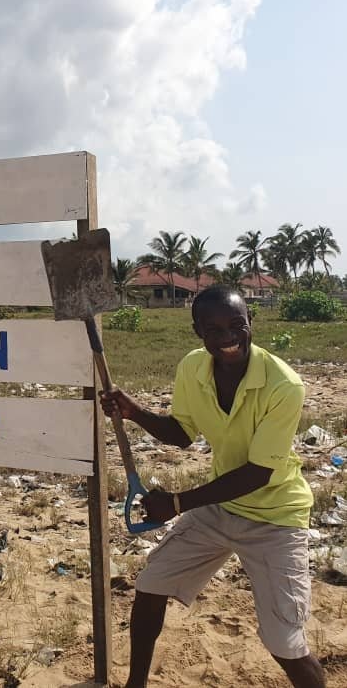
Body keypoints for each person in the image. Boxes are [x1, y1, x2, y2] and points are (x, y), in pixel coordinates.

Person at [100, 284, 325, 688]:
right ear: (196, 331)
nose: (226, 337)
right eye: (213, 329)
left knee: (284, 643)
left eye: (236, 325)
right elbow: (182, 433)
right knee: (151, 584)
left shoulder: (283, 385)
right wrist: (135, 413)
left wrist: (179, 501)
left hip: (276, 518)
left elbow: (260, 473)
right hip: (222, 509)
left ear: (250, 322)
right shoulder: (192, 367)